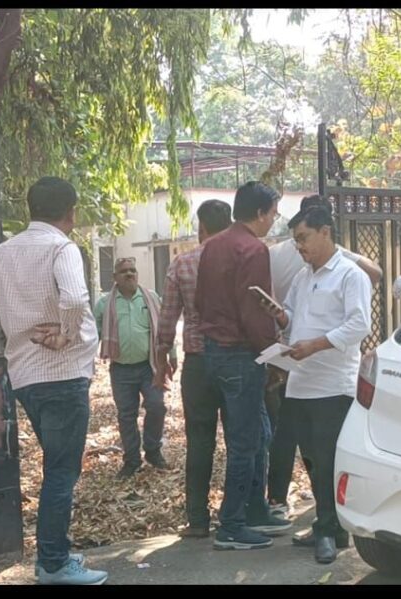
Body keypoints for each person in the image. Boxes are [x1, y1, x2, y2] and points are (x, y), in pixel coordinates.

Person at [0, 176, 108, 585]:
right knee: (62, 471)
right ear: (71, 212)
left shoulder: (5, 251)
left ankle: (56, 551)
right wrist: (65, 334)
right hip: (63, 375)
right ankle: (53, 563)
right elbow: (76, 299)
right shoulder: (61, 247)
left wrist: (17, 307)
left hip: (25, 377)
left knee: (57, 465)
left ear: (30, 209)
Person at [259, 205, 372, 564]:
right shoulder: (303, 277)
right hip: (300, 382)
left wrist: (315, 345)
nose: (300, 247)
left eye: (304, 238)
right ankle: (331, 527)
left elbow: (359, 325)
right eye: (296, 241)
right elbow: (294, 319)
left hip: (332, 385)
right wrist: (280, 316)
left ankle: (327, 530)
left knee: (327, 460)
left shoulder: (350, 275)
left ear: (325, 232)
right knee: (310, 458)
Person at [195, 181, 293, 550]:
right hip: (241, 352)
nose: (274, 220)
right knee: (245, 442)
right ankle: (232, 524)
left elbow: (200, 300)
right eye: (273, 214)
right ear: (261, 213)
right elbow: (254, 310)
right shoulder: (253, 249)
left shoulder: (213, 244)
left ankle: (254, 510)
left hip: (215, 350)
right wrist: (273, 354)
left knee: (259, 433)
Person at [153, 199, 232, 538]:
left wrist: (163, 358)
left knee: (199, 441)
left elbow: (168, 318)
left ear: (201, 227)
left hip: (198, 364)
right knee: (240, 441)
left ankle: (198, 519)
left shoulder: (182, 263)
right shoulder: (241, 259)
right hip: (235, 360)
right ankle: (236, 514)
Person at [94, 257, 175, 479]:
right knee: (126, 415)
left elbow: (164, 328)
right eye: (124, 272)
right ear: (115, 277)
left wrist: (172, 355)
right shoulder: (104, 304)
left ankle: (153, 451)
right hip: (121, 370)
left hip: (149, 367)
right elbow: (93, 335)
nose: (129, 274)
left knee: (157, 406)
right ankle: (131, 460)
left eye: (132, 270)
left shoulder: (151, 298)